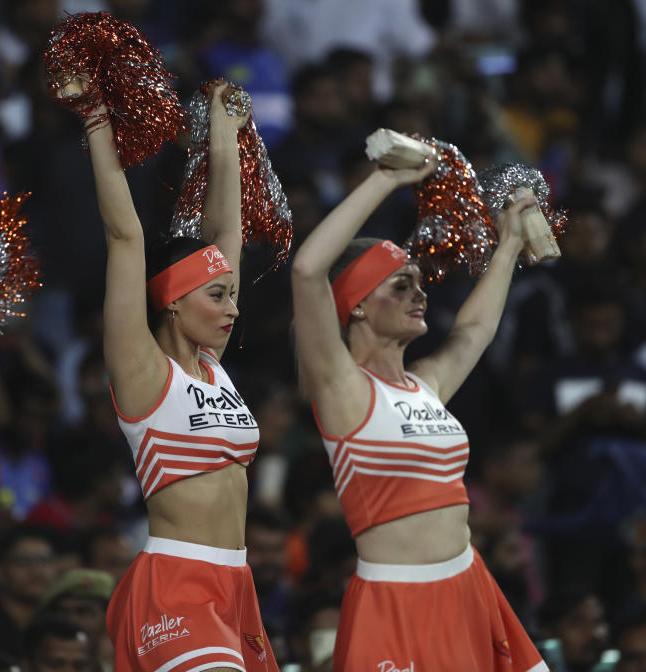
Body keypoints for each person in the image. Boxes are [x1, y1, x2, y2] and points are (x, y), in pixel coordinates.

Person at [290, 157, 548, 670]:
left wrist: (510, 244)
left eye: (419, 281)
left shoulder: (425, 384)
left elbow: (475, 329)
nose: (420, 293)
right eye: (400, 285)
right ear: (357, 305)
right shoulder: (343, 389)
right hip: (397, 602)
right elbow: (307, 269)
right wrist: (385, 180)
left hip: (469, 586)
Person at [67, 78, 278, 671]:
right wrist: (95, 120)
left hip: (238, 586)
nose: (234, 308)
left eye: (232, 294)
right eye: (218, 295)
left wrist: (223, 133)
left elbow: (225, 235)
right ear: (174, 303)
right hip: (176, 583)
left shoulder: (213, 369)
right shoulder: (140, 370)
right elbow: (124, 235)